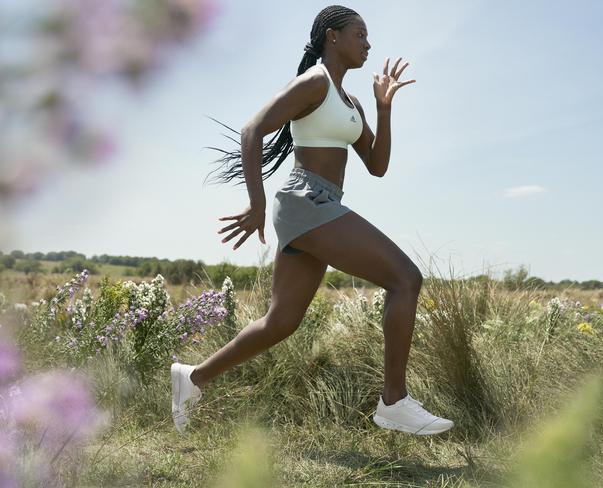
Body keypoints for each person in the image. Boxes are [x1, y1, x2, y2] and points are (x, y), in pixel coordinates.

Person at [171, 5, 454, 436]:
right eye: (360, 34)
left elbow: (377, 166)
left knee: (281, 322)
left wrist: (383, 108)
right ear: (332, 37)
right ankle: (393, 401)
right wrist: (257, 203)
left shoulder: (350, 101)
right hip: (306, 201)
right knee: (405, 279)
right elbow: (253, 129)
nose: (368, 43)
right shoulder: (315, 82)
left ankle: (193, 378)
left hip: (321, 204)